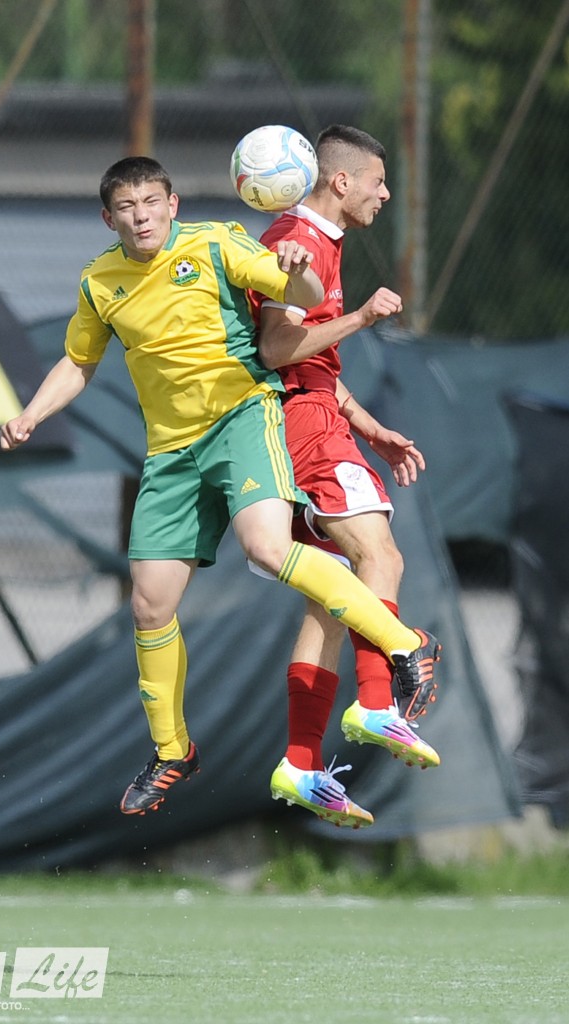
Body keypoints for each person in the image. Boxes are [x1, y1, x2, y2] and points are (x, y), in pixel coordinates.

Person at [0, 155, 440, 828]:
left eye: (151, 202)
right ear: (108, 218)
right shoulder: (99, 281)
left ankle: (402, 645)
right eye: (127, 208)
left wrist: (295, 265)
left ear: (172, 204)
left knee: (268, 548)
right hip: (170, 453)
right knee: (149, 604)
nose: (141, 217)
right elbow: (79, 360)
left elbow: (296, 294)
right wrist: (32, 412)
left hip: (241, 420)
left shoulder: (215, 242)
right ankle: (173, 751)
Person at [249, 125, 442, 821]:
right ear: (341, 181)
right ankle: (376, 702)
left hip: (315, 414)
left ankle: (301, 765)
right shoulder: (295, 241)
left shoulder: (318, 241)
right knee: (379, 556)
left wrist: (370, 427)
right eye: (378, 182)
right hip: (304, 425)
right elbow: (277, 350)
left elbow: (312, 359)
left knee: (332, 599)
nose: (384, 195)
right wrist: (361, 317)